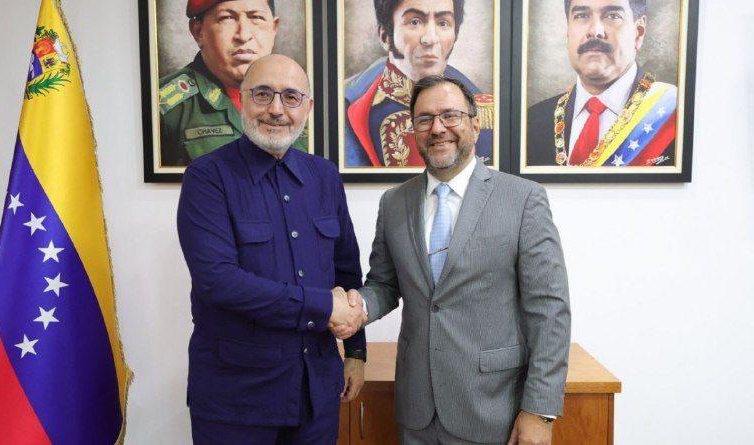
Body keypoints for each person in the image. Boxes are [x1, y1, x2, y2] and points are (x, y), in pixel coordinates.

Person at [338, 76, 571, 444]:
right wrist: (358, 307)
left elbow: (550, 309)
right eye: (425, 119)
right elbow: (384, 284)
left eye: (450, 115)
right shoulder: (394, 202)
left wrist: (540, 410)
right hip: (417, 410)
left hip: (494, 409)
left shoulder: (523, 199)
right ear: (413, 130)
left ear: (475, 126)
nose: (437, 128)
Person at [177, 54, 367, 444]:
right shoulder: (207, 177)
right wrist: (321, 305)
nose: (277, 110)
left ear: (307, 108)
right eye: (263, 95)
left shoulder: (324, 176)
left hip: (316, 391)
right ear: (242, 101)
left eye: (291, 97)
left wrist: (355, 351)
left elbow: (346, 270)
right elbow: (218, 281)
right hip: (237, 398)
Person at [344, 0, 494, 168]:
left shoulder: (483, 109)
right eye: (415, 22)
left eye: (443, 23)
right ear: (385, 35)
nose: (431, 39)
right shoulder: (349, 104)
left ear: (455, 35)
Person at [526, 0, 677, 167]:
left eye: (613, 16)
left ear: (638, 32)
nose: (595, 31)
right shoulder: (531, 122)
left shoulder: (676, 117)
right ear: (568, 31)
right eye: (582, 15)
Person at [159, 0, 308, 167]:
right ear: (198, 32)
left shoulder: (303, 101)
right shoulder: (163, 108)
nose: (243, 35)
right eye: (227, 18)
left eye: (256, 17)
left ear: (274, 29)